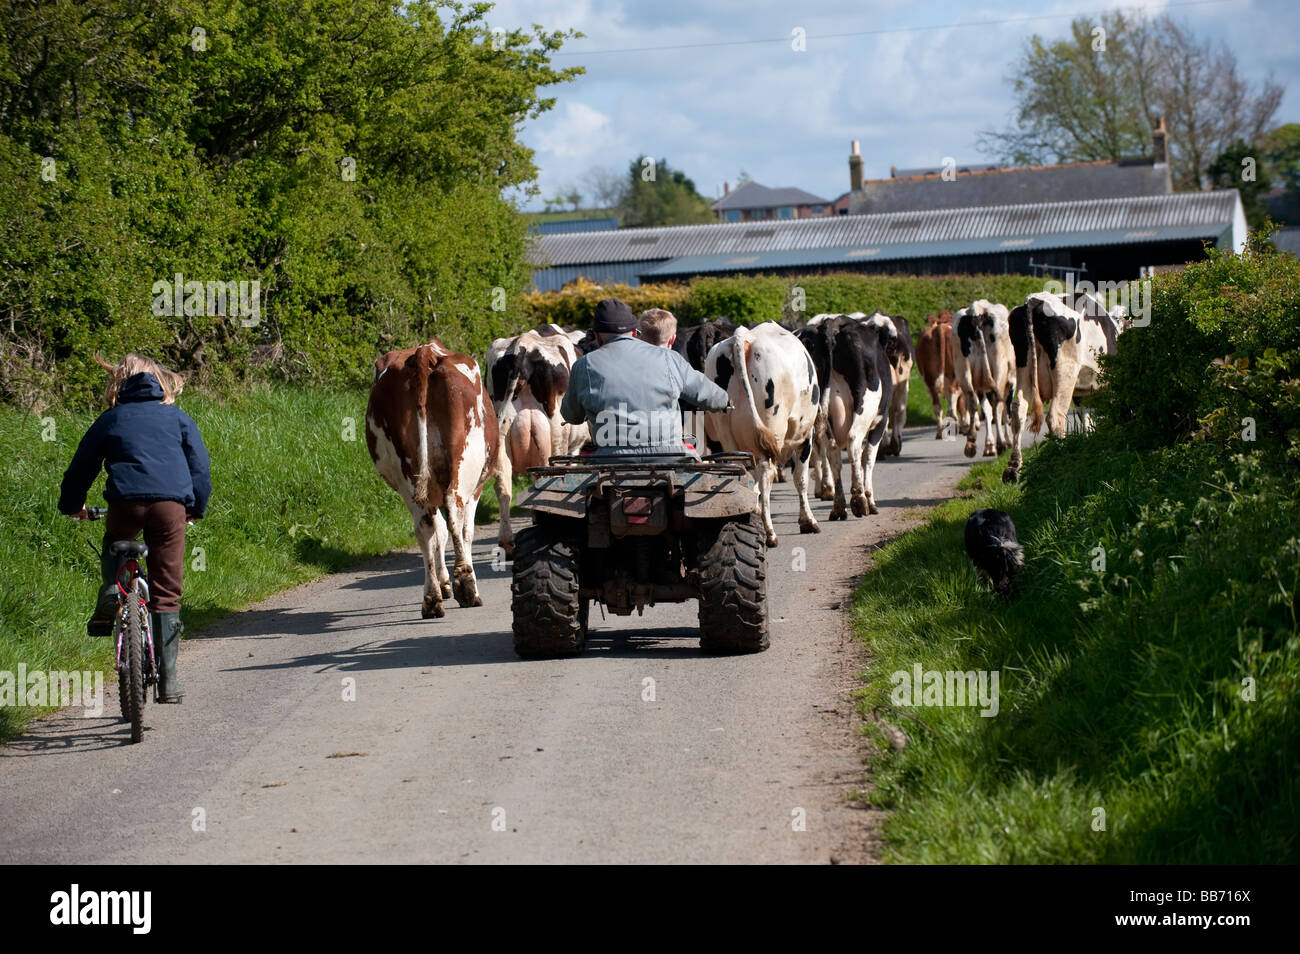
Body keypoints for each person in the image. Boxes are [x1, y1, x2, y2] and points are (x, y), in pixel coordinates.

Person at [58, 354, 211, 704]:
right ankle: (169, 683)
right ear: (160, 382)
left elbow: (81, 468)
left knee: (115, 541)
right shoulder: (178, 419)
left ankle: (113, 588)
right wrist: (195, 509)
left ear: (119, 384)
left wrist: (73, 507)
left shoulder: (110, 420)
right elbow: (199, 469)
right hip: (169, 507)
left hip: (124, 503)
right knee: (167, 591)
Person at [561, 299, 728, 456]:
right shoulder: (669, 358)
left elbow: (571, 416)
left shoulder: (584, 365)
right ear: (635, 332)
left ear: (596, 336)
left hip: (609, 461)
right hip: (670, 457)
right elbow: (712, 397)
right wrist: (725, 401)